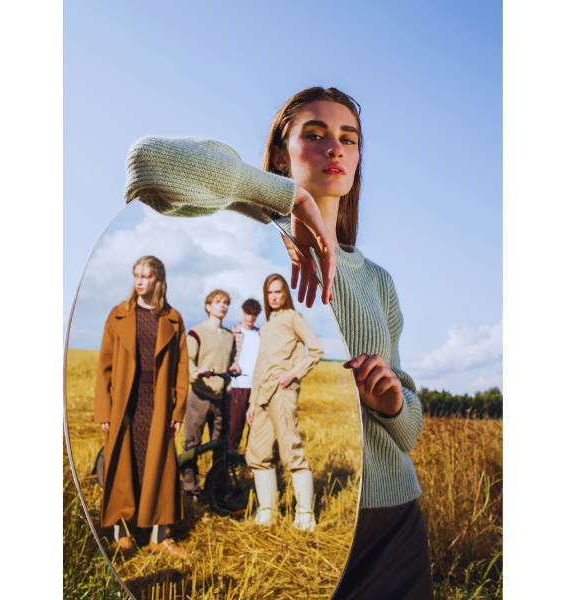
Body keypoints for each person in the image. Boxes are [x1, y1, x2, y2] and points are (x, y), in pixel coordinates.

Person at [123, 87, 434, 598]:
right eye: (314, 135)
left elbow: (409, 433)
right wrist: (285, 198)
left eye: (348, 139)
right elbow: (147, 165)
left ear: (358, 159)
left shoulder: (377, 280)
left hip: (393, 525)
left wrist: (394, 403)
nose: (335, 148)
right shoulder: (253, 246)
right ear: (278, 158)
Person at [94, 255, 189, 557]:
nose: (139, 281)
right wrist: (105, 410)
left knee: (159, 466)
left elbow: (182, 370)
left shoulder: (172, 318)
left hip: (158, 401)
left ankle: (158, 537)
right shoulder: (118, 314)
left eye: (146, 276)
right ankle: (121, 534)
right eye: (136, 274)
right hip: (125, 402)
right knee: (122, 464)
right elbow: (104, 366)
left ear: (158, 280)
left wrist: (176, 411)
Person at [245, 274, 323, 530]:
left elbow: (316, 350)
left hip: (282, 391)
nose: (274, 297)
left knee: (291, 450)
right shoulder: (266, 326)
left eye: (278, 292)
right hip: (263, 393)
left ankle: (304, 516)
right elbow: (259, 368)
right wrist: (252, 403)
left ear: (285, 294)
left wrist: (292, 374)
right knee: (257, 452)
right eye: (270, 293)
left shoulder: (293, 317)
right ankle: (267, 513)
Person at [181, 289, 239, 502]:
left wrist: (234, 366)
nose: (221, 306)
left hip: (222, 397)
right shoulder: (196, 332)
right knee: (192, 445)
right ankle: (191, 491)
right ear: (208, 306)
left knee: (221, 447)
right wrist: (196, 372)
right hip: (200, 396)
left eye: (225, 303)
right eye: (217, 302)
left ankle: (216, 491)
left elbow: (230, 360)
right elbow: (187, 361)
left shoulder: (229, 335)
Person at [227, 298, 262, 453]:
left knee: (255, 426)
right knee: (235, 425)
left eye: (254, 314)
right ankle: (230, 460)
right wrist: (232, 364)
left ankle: (251, 462)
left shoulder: (261, 334)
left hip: (256, 387)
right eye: (248, 313)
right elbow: (225, 355)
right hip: (237, 385)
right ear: (243, 312)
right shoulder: (231, 331)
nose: (251, 317)